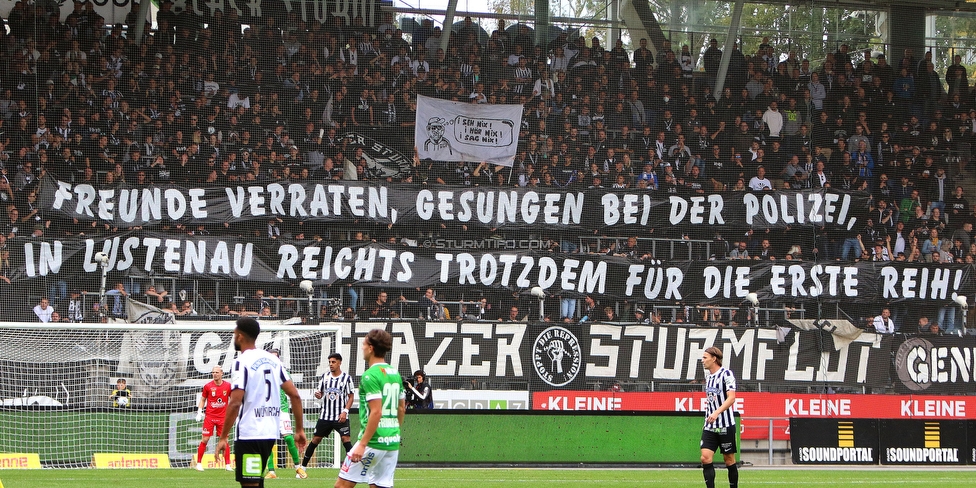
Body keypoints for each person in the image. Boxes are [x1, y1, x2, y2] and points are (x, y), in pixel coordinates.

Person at [215, 318, 306, 488]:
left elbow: (235, 403)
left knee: (250, 484)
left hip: (250, 434)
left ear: (240, 336)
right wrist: (299, 430)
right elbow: (295, 395)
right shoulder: (273, 360)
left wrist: (223, 437)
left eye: (235, 333)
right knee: (257, 482)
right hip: (269, 434)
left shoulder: (241, 362)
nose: (234, 337)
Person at [335, 329, 405, 488]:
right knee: (378, 485)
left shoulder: (370, 375)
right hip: (392, 441)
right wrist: (393, 431)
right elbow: (401, 409)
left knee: (342, 485)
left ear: (371, 348)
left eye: (364, 344)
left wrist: (362, 444)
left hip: (373, 441)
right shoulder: (395, 373)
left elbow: (376, 411)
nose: (362, 347)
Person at [298, 352, 354, 477]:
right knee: (315, 440)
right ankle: (303, 468)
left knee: (346, 440)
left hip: (340, 416)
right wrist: (318, 395)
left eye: (333, 362)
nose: (331, 364)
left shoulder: (346, 378)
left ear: (339, 362)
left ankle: (352, 469)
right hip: (325, 416)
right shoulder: (325, 377)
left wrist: (345, 411)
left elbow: (351, 397)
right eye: (329, 362)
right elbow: (320, 393)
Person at [700, 346, 738, 488]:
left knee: (729, 460)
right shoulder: (708, 376)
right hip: (710, 425)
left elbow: (731, 398)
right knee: (705, 457)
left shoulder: (726, 374)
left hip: (725, 425)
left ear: (714, 358)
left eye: (705, 357)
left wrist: (717, 412)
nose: (702, 360)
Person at [265, 349, 303, 479]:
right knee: (268, 441)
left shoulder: (284, 373)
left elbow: (291, 391)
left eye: (275, 357)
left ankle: (298, 467)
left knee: (288, 438)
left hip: (282, 409)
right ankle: (271, 471)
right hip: (268, 410)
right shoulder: (262, 373)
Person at [195, 365, 233, 471]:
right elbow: (203, 399)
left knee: (225, 440)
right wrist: (199, 412)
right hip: (210, 417)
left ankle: (228, 465)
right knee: (205, 439)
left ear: (222, 373)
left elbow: (233, 400)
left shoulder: (228, 386)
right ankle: (198, 463)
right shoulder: (208, 386)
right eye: (213, 372)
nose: (214, 374)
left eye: (217, 372)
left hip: (223, 418)